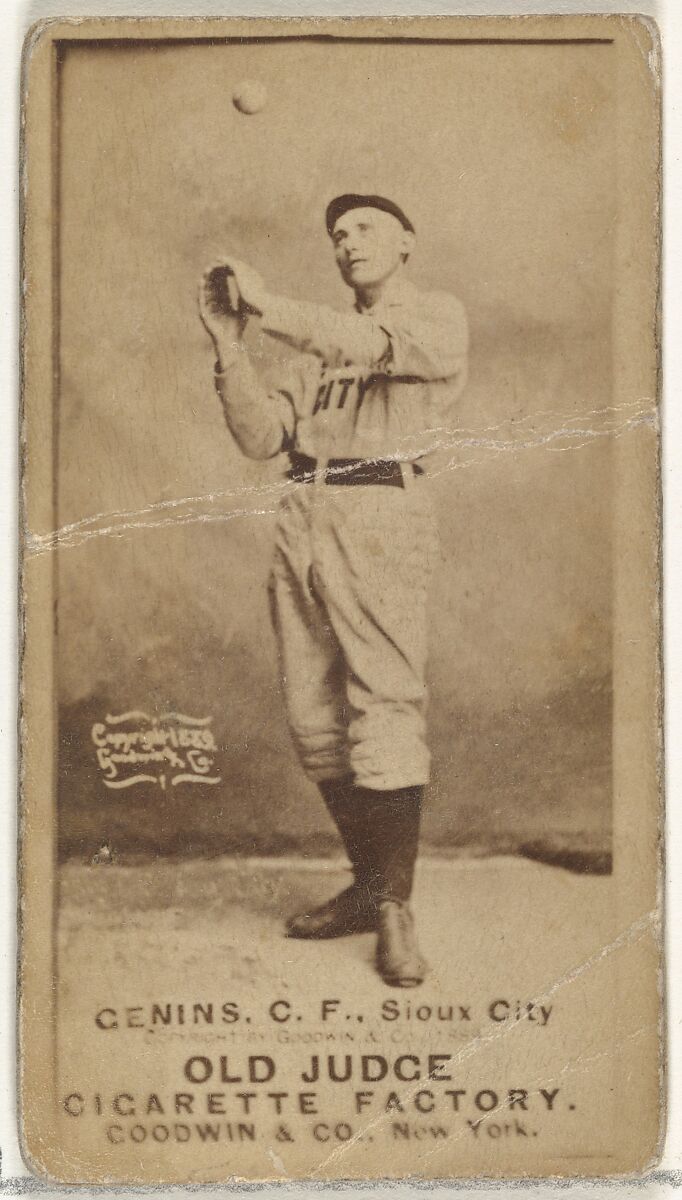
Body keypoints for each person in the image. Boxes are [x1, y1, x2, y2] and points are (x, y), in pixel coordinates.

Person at [198, 194, 468, 986]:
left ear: (407, 242)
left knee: (383, 703)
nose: (347, 241)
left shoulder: (434, 317)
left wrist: (266, 304)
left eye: (365, 228)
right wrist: (229, 349)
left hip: (382, 508)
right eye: (338, 234)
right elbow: (261, 437)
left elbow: (365, 341)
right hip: (302, 509)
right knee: (315, 719)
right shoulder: (313, 350)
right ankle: (366, 888)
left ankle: (395, 912)